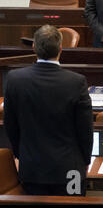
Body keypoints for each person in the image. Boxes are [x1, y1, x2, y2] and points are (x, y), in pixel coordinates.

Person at [3, 25, 93, 196]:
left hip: (32, 169)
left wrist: (21, 154)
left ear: (34, 47)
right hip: (70, 171)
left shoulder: (15, 79)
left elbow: (10, 125)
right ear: (61, 48)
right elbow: (85, 130)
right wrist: (85, 161)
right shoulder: (76, 82)